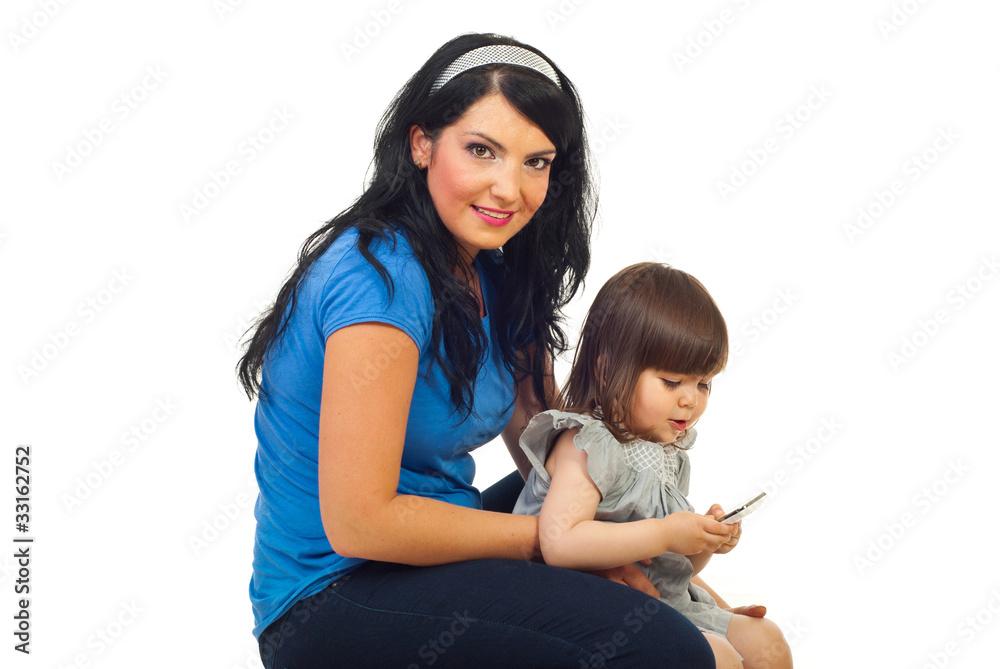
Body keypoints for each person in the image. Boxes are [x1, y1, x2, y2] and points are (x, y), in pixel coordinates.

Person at [238, 33, 717, 667]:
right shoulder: (379, 279)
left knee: (619, 486)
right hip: (334, 596)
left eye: (535, 162)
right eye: (481, 151)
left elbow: (553, 447)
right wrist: (562, 543)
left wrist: (675, 584)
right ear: (421, 144)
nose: (508, 189)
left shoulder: (497, 268)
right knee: (664, 651)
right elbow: (360, 524)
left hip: (436, 546)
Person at [512, 262, 794, 669]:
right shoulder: (587, 443)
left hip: (657, 601)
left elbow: (670, 567)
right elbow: (559, 543)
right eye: (672, 382)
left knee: (767, 640)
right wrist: (665, 533)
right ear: (607, 371)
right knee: (717, 658)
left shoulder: (669, 454)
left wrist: (701, 542)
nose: (690, 399)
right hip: (584, 602)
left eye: (703, 383)